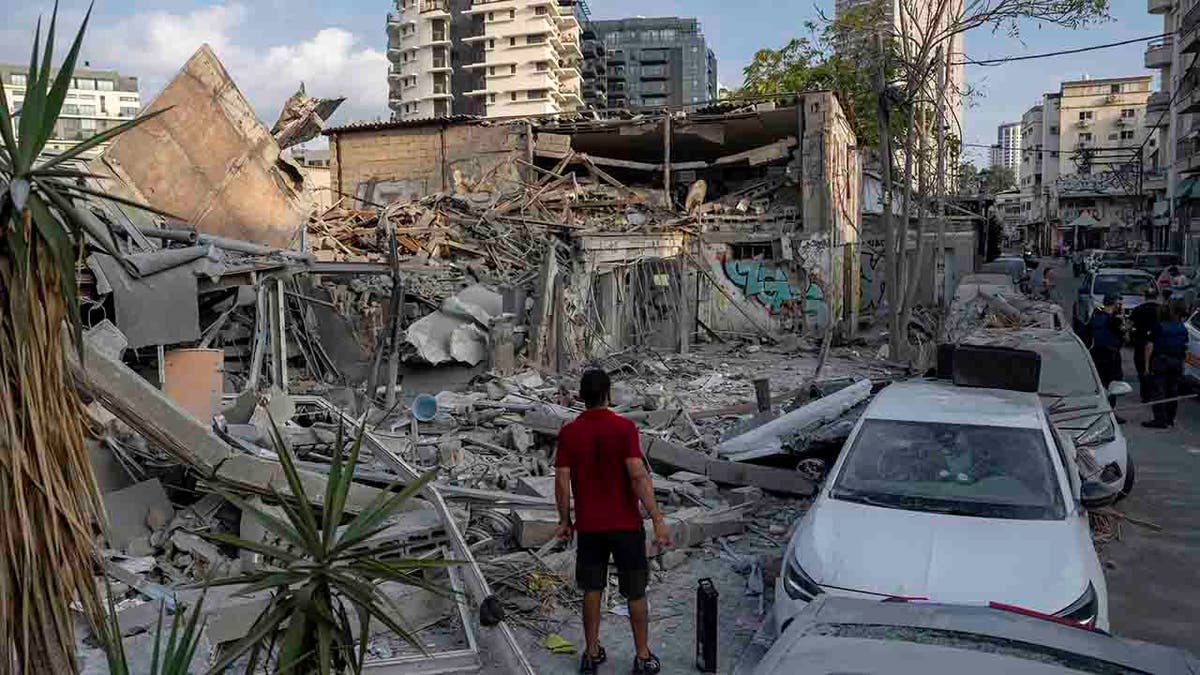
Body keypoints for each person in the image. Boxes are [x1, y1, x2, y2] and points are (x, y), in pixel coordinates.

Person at [554, 369, 671, 674]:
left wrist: (564, 520)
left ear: (581, 397)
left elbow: (562, 482)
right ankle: (643, 657)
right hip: (625, 525)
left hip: (590, 527)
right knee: (635, 591)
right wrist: (657, 518)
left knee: (592, 589)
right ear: (608, 395)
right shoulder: (624, 428)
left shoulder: (569, 432)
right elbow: (637, 474)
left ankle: (591, 654)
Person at [1143, 300, 1189, 429]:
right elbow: (1184, 347)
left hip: (1161, 360)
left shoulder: (1158, 326)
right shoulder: (1182, 327)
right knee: (1173, 390)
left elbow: (1149, 346)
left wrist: (1146, 365)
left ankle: (1160, 420)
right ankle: (1170, 418)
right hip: (1177, 361)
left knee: (1159, 390)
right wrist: (1183, 364)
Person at [1087, 293, 1126, 423]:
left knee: (1099, 383)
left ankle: (1099, 410)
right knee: (1113, 384)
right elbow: (1124, 334)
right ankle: (1109, 412)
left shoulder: (1097, 314)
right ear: (1115, 304)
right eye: (1119, 303)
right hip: (1110, 355)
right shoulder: (1114, 320)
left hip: (1096, 353)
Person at [1128, 287, 1162, 403]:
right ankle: (1155, 392)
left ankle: (1145, 395)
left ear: (1145, 297)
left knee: (1142, 370)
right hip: (1158, 345)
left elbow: (1130, 325)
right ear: (1156, 297)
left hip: (1140, 344)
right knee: (1156, 370)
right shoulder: (1162, 310)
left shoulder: (1138, 310)